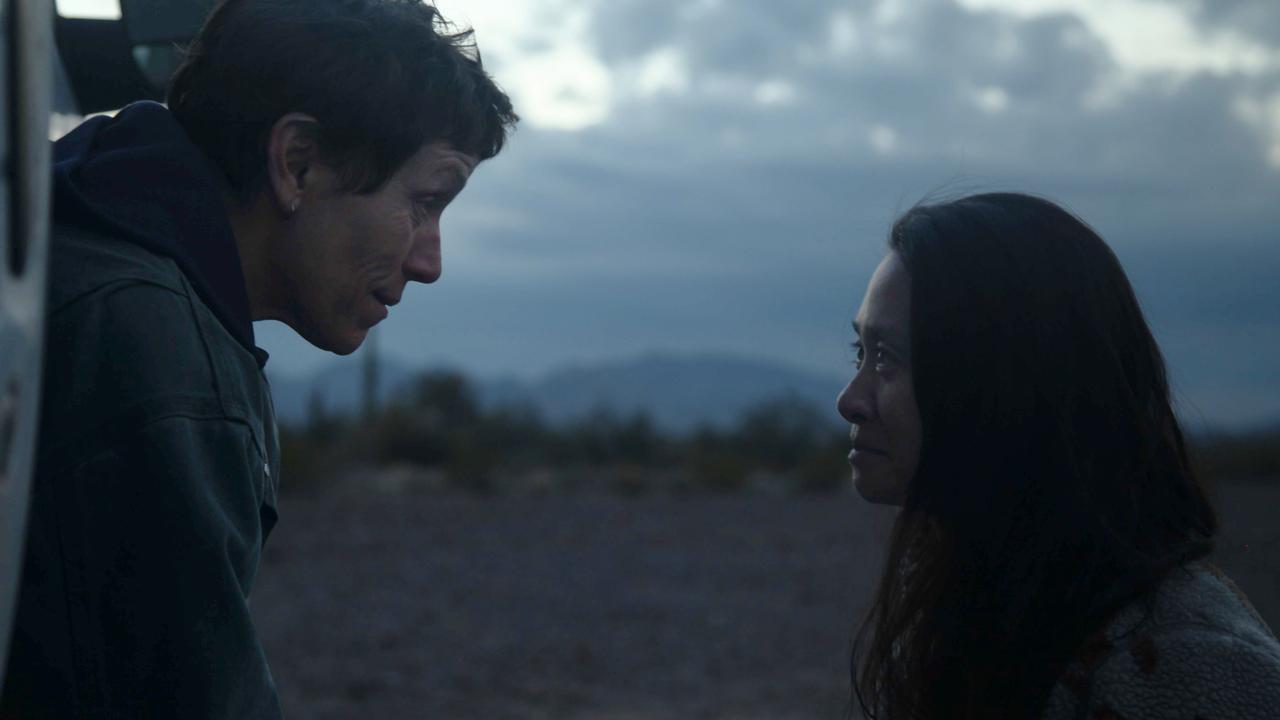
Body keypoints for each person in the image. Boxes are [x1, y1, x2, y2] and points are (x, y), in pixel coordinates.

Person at [1, 0, 517, 716]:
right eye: (427, 201)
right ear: (297, 163)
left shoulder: (77, 234)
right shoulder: (161, 362)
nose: (429, 261)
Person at [836, 193, 1280, 719]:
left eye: (887, 357)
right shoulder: (970, 601)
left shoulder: (1192, 665)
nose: (850, 401)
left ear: (1006, 379)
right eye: (860, 352)